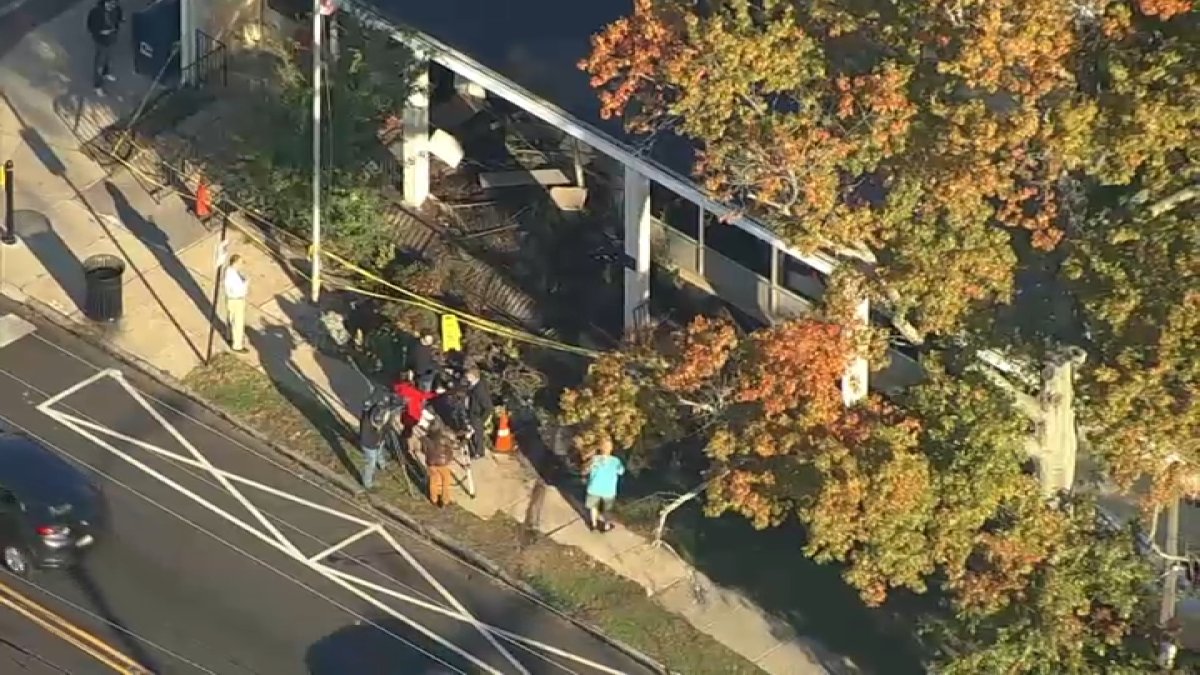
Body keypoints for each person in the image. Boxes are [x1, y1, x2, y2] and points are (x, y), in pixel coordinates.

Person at [584, 438, 625, 532]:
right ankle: (606, 526)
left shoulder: (594, 459)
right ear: (611, 449)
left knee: (593, 507)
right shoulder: (615, 461)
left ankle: (593, 525)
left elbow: (587, 470)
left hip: (594, 487)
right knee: (607, 509)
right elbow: (621, 472)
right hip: (608, 490)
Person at [86, 0, 123, 96]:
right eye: (109, 3)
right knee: (99, 64)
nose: (112, 6)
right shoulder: (96, 12)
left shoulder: (116, 9)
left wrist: (120, 20)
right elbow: (90, 27)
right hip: (101, 41)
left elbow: (119, 17)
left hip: (111, 39)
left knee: (109, 59)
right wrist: (101, 32)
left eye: (113, 4)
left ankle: (106, 73)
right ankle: (97, 86)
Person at [358, 399, 394, 490]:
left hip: (378, 441)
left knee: (380, 451)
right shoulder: (366, 426)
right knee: (371, 463)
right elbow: (368, 439)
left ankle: (382, 464)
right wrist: (378, 439)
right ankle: (367, 483)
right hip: (370, 445)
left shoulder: (378, 412)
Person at [464, 368, 494, 459]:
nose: (467, 378)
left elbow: (488, 407)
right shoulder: (475, 385)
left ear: (473, 377)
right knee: (474, 434)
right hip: (473, 413)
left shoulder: (479, 390)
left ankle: (478, 452)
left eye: (468, 376)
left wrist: (481, 419)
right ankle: (475, 450)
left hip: (477, 416)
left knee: (477, 435)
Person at [424, 426, 456, 508]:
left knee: (433, 481)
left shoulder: (426, 439)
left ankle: (433, 499)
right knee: (446, 481)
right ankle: (445, 500)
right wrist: (449, 459)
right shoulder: (444, 439)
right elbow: (452, 448)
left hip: (431, 463)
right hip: (443, 463)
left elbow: (423, 450)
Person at [223, 254, 249, 352]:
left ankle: (229, 336)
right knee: (238, 322)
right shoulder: (233, 276)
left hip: (230, 299)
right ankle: (237, 345)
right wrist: (245, 283)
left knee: (230, 318)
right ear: (235, 263)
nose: (241, 265)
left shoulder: (229, 271)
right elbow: (238, 289)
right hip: (237, 299)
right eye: (240, 263)